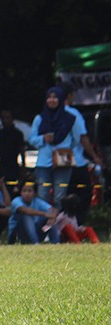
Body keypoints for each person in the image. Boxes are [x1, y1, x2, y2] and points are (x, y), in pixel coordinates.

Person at [61, 82, 103, 223]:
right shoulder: (73, 114)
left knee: (62, 194)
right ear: (69, 95)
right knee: (85, 192)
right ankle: (77, 223)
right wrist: (95, 157)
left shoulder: (49, 114)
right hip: (75, 161)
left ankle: (61, 225)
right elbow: (83, 138)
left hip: (56, 161)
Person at [28, 86, 76, 208]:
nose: (52, 100)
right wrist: (43, 139)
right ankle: (42, 225)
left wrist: (64, 148)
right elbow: (32, 139)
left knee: (59, 197)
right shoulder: (39, 118)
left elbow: (76, 139)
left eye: (55, 97)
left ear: (60, 99)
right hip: (43, 163)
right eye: (49, 97)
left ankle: (57, 225)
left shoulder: (69, 119)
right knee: (42, 196)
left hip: (63, 161)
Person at [8, 179, 59, 244]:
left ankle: (55, 242)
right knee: (26, 216)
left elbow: (53, 210)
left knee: (51, 218)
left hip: (36, 231)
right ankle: (35, 243)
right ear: (20, 193)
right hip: (18, 234)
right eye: (24, 191)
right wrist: (44, 214)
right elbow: (25, 210)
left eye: (30, 191)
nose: (27, 193)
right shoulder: (16, 201)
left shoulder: (37, 201)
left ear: (34, 193)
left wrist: (52, 218)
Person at [0, 109, 26, 191]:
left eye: (7, 118)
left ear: (12, 119)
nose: (5, 120)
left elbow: (22, 150)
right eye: (3, 118)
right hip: (2, 165)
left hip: (13, 165)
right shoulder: (1, 133)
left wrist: (23, 165)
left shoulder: (17, 134)